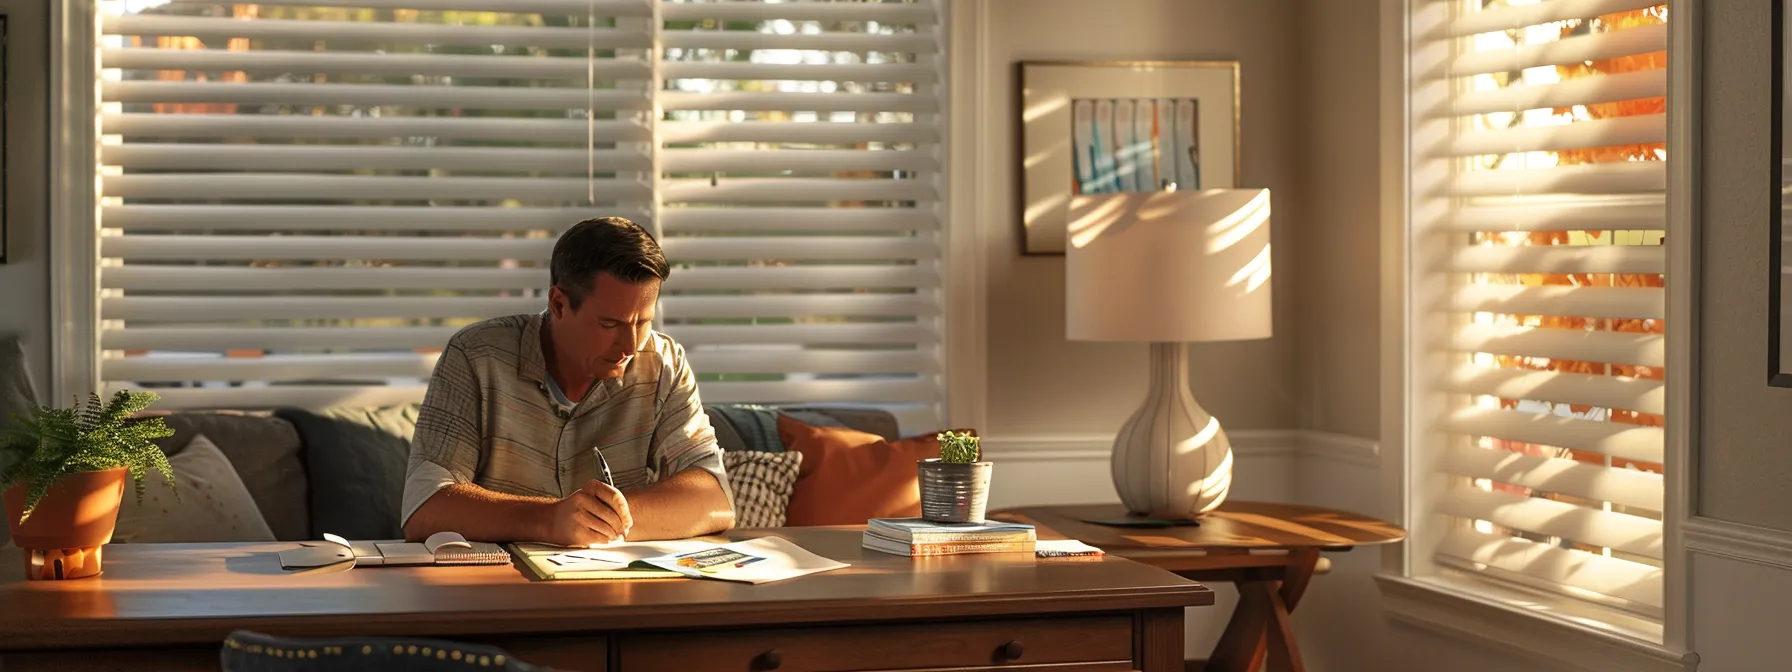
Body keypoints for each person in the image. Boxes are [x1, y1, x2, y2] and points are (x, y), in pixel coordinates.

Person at [400, 217, 734, 546]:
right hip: (497, 588)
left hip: (614, 587)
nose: (630, 346)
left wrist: (605, 518)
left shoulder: (664, 363)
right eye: (609, 324)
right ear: (558, 304)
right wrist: (549, 520)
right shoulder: (476, 356)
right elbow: (424, 506)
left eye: (643, 322)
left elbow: (715, 499)